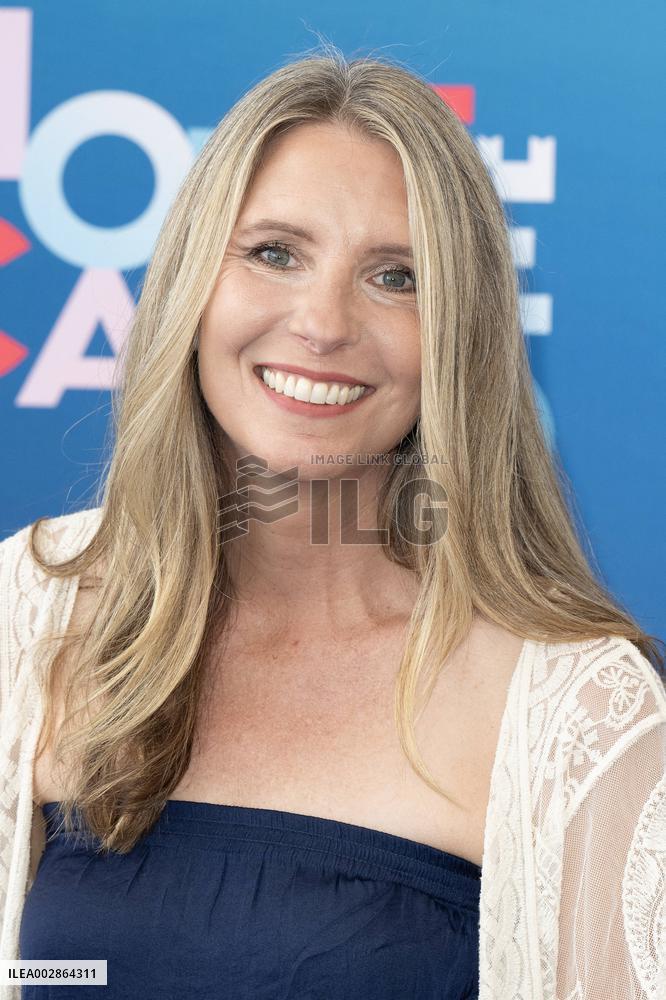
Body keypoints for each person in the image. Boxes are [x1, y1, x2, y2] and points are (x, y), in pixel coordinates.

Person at [1, 43, 665, 1000]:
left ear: (459, 337)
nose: (323, 322)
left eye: (396, 276)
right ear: (193, 284)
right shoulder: (32, 611)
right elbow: (50, 969)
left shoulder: (575, 708)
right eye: (275, 253)